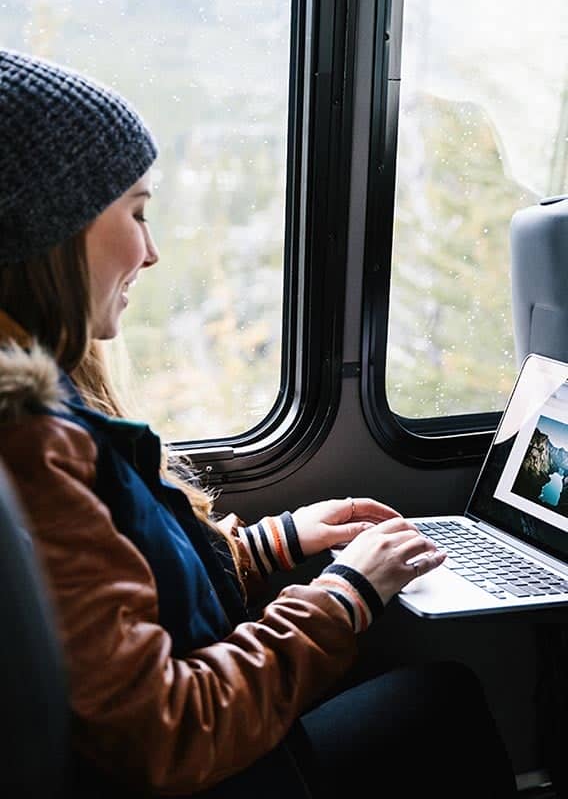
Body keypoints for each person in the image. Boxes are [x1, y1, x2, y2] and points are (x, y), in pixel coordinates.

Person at [0, 48, 517, 798]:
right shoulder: (31, 443)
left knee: (438, 702)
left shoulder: (52, 410)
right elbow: (166, 729)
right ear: (53, 228)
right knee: (441, 710)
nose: (151, 253)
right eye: (136, 214)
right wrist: (344, 595)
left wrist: (278, 542)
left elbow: (125, 602)